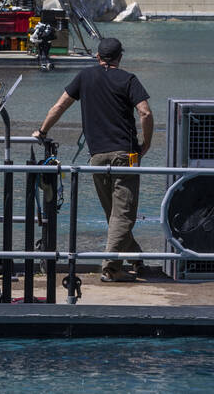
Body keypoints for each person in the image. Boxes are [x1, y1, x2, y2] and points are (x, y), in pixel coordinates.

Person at [33, 37, 153, 282]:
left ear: (98, 57)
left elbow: (59, 106)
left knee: (115, 214)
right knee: (123, 215)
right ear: (120, 57)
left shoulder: (84, 77)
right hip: (125, 155)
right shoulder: (128, 79)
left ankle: (137, 259)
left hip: (96, 157)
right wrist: (147, 143)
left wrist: (42, 132)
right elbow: (145, 112)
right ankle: (110, 268)